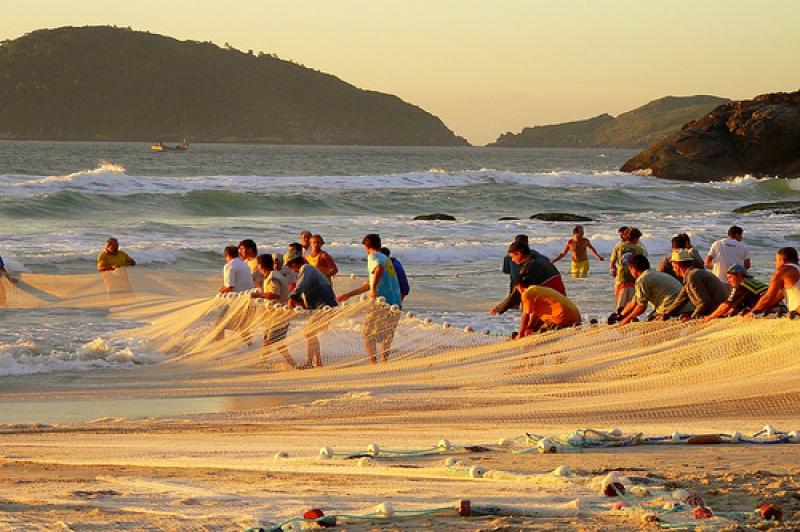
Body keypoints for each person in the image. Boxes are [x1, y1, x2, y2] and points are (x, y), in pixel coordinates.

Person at [337, 234, 403, 364]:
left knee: (368, 333)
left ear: (366, 246)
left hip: (381, 302)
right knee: (387, 333)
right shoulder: (386, 258)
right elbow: (370, 283)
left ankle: (373, 361)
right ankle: (384, 360)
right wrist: (349, 294)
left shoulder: (373, 257)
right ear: (379, 244)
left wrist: (373, 290)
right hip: (395, 302)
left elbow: (378, 269)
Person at [285, 250, 338, 368]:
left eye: (289, 266)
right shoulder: (307, 269)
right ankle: (317, 362)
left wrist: (292, 297)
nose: (290, 269)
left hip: (325, 306)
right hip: (324, 305)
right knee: (310, 332)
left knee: (309, 332)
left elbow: (301, 286)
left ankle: (310, 362)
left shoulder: (306, 268)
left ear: (292, 263)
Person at [491, 240, 565, 316]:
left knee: (526, 294)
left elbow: (517, 294)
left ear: (519, 254)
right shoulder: (541, 259)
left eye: (512, 257)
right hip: (563, 304)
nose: (512, 260)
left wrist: (498, 310)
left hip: (555, 309)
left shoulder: (530, 266)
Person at [618, 254, 693, 325]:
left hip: (673, 308)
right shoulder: (653, 273)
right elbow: (634, 302)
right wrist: (621, 315)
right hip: (689, 306)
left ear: (633, 269)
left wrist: (627, 319)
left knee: (648, 321)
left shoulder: (642, 280)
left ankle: (677, 317)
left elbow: (641, 307)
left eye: (630, 269)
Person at [250, 254, 294, 367]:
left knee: (273, 341)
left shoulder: (273, 277)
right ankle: (263, 362)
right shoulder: (272, 275)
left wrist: (258, 295)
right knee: (270, 340)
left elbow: (275, 294)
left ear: (260, 266)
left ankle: (292, 364)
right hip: (274, 314)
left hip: (280, 314)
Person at [661, 249, 727, 320]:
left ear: (678, 266)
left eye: (673, 267)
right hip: (717, 307)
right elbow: (681, 299)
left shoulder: (692, 276)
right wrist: (667, 313)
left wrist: (693, 317)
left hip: (717, 310)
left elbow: (704, 302)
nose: (673, 270)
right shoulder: (691, 274)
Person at [514, 279, 581, 337]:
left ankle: (556, 325)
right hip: (576, 316)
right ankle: (566, 324)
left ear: (519, 286)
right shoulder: (540, 289)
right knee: (537, 327)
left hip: (561, 317)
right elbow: (534, 315)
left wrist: (521, 334)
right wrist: (530, 328)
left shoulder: (526, 293)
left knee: (541, 329)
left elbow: (525, 317)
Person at [702, 265, 770, 321]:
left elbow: (726, 305)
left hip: (768, 308)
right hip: (774, 303)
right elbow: (735, 306)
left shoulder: (742, 285)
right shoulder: (750, 282)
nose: (728, 281)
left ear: (739, 275)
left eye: (730, 278)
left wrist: (709, 317)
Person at [746, 247, 800, 316]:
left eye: (776, 260)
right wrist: (759, 309)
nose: (775, 263)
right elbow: (778, 296)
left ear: (781, 260)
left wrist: (752, 312)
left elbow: (768, 297)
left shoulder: (783, 270)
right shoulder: (797, 270)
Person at [609, 227, 646, 311]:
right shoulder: (639, 249)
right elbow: (641, 264)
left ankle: (619, 313)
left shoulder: (618, 246)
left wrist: (613, 270)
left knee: (621, 299)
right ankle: (630, 315)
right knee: (632, 299)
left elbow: (612, 262)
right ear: (636, 238)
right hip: (634, 278)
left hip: (621, 278)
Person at [706, 226, 751, 292]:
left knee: (719, 301)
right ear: (736, 234)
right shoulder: (743, 247)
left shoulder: (717, 244)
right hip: (734, 282)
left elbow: (707, 262)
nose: (741, 237)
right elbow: (747, 265)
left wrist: (716, 267)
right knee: (733, 301)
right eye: (741, 235)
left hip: (718, 281)